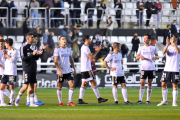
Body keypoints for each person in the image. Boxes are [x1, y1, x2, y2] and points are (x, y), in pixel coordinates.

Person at [15, 32, 48, 107]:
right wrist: (32, 54)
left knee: (32, 86)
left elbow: (36, 58)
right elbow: (23, 58)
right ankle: (18, 97)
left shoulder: (34, 46)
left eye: (33, 37)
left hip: (33, 68)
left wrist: (42, 51)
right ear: (27, 38)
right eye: (31, 37)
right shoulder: (23, 47)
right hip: (27, 69)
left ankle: (32, 102)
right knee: (25, 86)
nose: (33, 38)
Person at [78, 35, 108, 104]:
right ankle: (99, 98)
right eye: (89, 39)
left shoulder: (84, 47)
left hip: (84, 68)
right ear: (86, 40)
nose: (90, 40)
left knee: (84, 83)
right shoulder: (85, 48)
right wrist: (96, 51)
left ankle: (80, 99)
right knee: (93, 82)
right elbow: (91, 57)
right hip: (87, 68)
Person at [135, 33, 159, 104]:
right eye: (144, 38)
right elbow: (136, 57)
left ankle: (147, 100)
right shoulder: (141, 47)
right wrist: (139, 57)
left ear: (149, 39)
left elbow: (157, 56)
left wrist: (155, 57)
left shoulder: (153, 47)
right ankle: (140, 100)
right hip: (143, 68)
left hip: (151, 68)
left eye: (146, 38)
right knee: (142, 83)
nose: (144, 39)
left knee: (149, 83)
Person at [54, 36, 77, 106]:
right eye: (62, 39)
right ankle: (60, 102)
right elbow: (55, 61)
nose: (64, 40)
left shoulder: (68, 49)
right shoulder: (57, 49)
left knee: (72, 85)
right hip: (61, 71)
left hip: (68, 70)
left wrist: (74, 68)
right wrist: (59, 70)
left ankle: (69, 101)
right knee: (60, 86)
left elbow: (71, 59)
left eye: (65, 39)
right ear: (59, 41)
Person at [157, 35, 179, 107]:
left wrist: (174, 44)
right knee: (163, 84)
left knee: (174, 85)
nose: (173, 40)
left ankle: (174, 102)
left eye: (174, 39)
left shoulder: (178, 47)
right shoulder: (168, 47)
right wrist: (167, 44)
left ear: (176, 40)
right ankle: (164, 100)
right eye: (172, 39)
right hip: (167, 69)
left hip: (175, 69)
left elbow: (178, 52)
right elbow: (163, 52)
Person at [0, 38, 18, 106]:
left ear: (8, 44)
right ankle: (11, 99)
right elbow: (3, 59)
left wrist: (6, 54)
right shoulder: (6, 50)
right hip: (6, 72)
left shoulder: (15, 51)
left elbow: (12, 61)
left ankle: (11, 102)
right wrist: (4, 54)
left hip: (12, 72)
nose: (4, 45)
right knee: (1, 87)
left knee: (11, 87)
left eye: (5, 43)